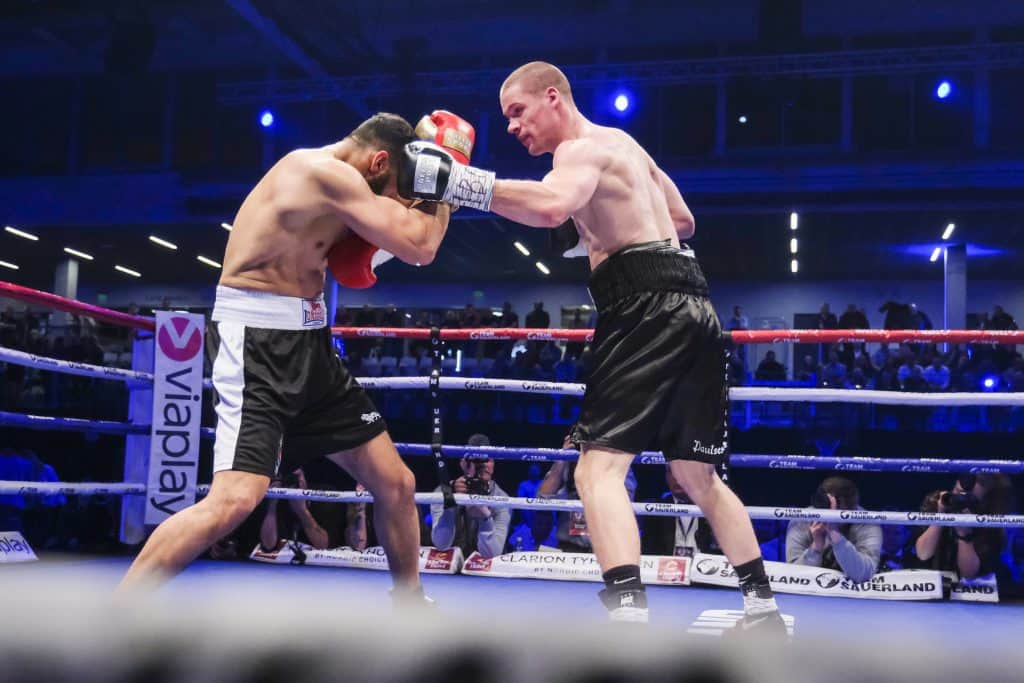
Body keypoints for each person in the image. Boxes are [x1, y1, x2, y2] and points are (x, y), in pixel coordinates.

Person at [398, 61, 784, 630]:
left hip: (643, 307)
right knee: (698, 475)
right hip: (695, 306)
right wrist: (598, 225)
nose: (512, 126)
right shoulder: (624, 144)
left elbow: (551, 206)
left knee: (596, 471)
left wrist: (459, 182)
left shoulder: (576, 152)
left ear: (553, 97)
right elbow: (682, 220)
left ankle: (627, 616)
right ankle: (763, 609)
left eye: (518, 112)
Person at [118, 111, 469, 605]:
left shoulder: (342, 185)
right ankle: (120, 611)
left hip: (311, 344)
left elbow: (383, 248)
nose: (392, 199)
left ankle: (410, 605)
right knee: (234, 500)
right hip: (258, 344)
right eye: (391, 187)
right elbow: (420, 245)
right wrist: (450, 173)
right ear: (378, 161)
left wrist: (433, 181)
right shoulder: (322, 173)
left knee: (396, 483)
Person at [785, 477, 881, 583]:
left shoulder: (867, 522)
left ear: (853, 508)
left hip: (853, 591)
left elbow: (864, 574)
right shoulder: (801, 520)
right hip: (811, 590)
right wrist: (816, 547)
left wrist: (836, 535)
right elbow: (794, 576)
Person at [430, 434, 511, 558]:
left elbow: (492, 554)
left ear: (493, 464)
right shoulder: (443, 492)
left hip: (488, 568)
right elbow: (441, 544)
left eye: (487, 460)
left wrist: (485, 519)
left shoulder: (502, 499)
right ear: (464, 463)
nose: (483, 466)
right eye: (476, 460)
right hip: (451, 566)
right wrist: (450, 504)